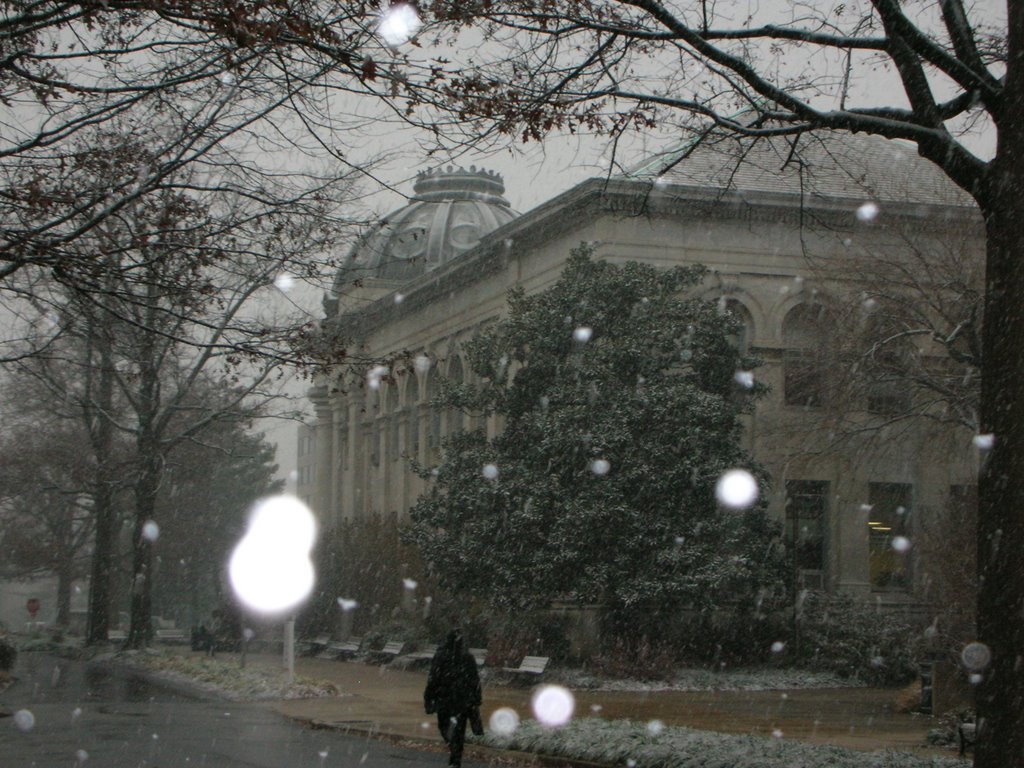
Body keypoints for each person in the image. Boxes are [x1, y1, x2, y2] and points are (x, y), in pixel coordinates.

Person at [423, 629, 482, 768]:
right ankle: (456, 755)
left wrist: (428, 698)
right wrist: (476, 699)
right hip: (461, 700)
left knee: (444, 727)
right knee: (458, 731)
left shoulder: (442, 656)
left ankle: (454, 753)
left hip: (446, 699)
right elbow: (475, 680)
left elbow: (433, 679)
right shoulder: (467, 658)